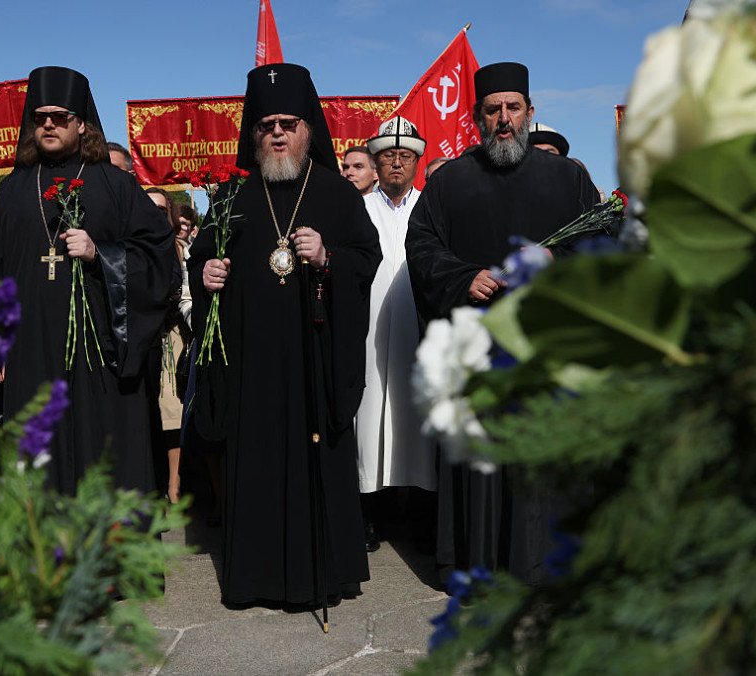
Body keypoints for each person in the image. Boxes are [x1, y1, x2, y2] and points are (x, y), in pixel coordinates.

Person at [189, 63, 381, 608]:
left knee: (316, 458)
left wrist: (328, 257)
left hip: (312, 361)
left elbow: (368, 258)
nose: (277, 133)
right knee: (257, 462)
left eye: (289, 123)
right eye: (267, 123)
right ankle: (255, 579)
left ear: (308, 130)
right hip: (251, 364)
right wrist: (205, 275)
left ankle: (323, 573)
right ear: (253, 133)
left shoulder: (337, 194)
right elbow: (203, 257)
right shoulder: (230, 197)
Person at [406, 62, 600, 586]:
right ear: (477, 117)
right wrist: (464, 278)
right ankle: (475, 566)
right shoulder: (449, 182)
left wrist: (561, 265)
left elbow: (604, 243)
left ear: (531, 113)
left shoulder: (570, 178)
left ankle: (542, 565)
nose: (505, 119)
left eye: (514, 108)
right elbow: (421, 247)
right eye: (493, 110)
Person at [0, 66, 175, 495]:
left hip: (98, 351)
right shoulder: (12, 189)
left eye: (60, 116)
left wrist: (101, 253)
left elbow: (160, 260)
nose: (48, 124)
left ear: (81, 123)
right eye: (40, 116)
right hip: (30, 352)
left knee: (102, 455)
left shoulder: (115, 184)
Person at [355, 116, 435, 554]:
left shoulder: (430, 206)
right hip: (369, 328)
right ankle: (371, 512)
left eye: (405, 157)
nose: (397, 165)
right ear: (377, 162)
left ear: (416, 162)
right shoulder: (359, 208)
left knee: (415, 417)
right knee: (370, 419)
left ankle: (419, 511)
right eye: (389, 157)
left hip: (419, 324)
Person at [145, 187, 191, 504]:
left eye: (161, 209)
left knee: (172, 411)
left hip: (172, 333)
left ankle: (174, 485)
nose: (154, 214)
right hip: (145, 338)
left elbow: (187, 291)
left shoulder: (180, 249)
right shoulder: (131, 245)